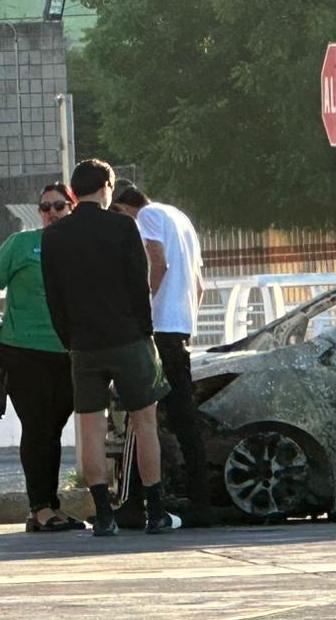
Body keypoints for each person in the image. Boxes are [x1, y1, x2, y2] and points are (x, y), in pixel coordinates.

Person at [40, 159, 178, 536]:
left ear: (72, 193)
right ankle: (155, 511)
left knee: (90, 427)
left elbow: (54, 297)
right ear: (106, 187)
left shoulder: (53, 237)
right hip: (128, 337)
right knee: (144, 423)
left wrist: (70, 340)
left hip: (83, 344)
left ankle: (103, 514)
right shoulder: (123, 226)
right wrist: (144, 333)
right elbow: (139, 285)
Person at [0, 182, 86, 532]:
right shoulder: (22, 244)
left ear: (72, 208)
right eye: (45, 208)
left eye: (59, 206)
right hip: (22, 350)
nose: (52, 213)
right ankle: (40, 507)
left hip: (67, 350)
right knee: (37, 426)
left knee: (53, 429)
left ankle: (49, 505)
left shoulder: (79, 247)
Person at [110, 181, 212, 527]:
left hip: (158, 328)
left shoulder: (150, 215)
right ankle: (198, 495)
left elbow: (158, 261)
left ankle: (134, 501)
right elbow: (199, 283)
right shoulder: (180, 218)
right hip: (180, 327)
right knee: (179, 416)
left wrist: (142, 306)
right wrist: (188, 321)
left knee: (142, 412)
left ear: (124, 208)